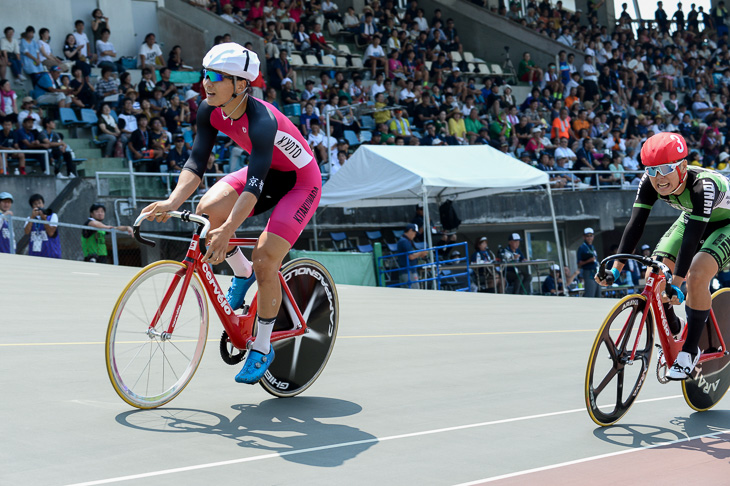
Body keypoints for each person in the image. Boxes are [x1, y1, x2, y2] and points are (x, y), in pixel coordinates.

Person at [140, 43, 321, 385]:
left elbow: (253, 187)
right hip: (264, 174)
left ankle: (263, 346)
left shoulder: (262, 121)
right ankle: (242, 272)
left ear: (240, 85)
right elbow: (195, 163)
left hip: (299, 182)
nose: (205, 83)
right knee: (207, 211)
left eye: (215, 77)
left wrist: (226, 233)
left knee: (266, 258)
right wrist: (172, 202)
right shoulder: (208, 110)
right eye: (203, 75)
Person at [598, 132, 730, 380]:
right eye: (652, 170)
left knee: (697, 273)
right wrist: (616, 267)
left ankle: (689, 352)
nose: (659, 178)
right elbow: (635, 224)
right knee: (653, 274)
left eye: (666, 169)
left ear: (681, 166)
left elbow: (691, 239)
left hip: (725, 224)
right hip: (691, 217)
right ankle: (676, 327)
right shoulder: (649, 181)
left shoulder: (703, 186)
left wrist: (678, 284)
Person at [24, 193, 60, 259]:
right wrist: (32, 217)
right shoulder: (29, 218)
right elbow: (26, 232)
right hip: (34, 254)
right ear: (32, 207)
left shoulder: (52, 216)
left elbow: (51, 233)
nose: (38, 205)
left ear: (43, 204)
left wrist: (44, 219)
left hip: (50, 253)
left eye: (39, 203)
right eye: (35, 204)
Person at [396, 223, 428, 288]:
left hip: (405, 271)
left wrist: (419, 254)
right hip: (409, 271)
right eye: (414, 233)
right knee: (415, 291)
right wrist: (421, 253)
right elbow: (411, 256)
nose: (415, 235)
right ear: (410, 230)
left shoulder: (403, 240)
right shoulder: (405, 241)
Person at [578, 227, 600, 297]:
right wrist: (589, 260)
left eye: (591, 235)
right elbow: (579, 263)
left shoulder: (592, 247)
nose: (589, 237)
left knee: (598, 293)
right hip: (588, 272)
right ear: (584, 237)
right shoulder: (582, 248)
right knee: (590, 293)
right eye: (587, 236)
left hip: (596, 271)